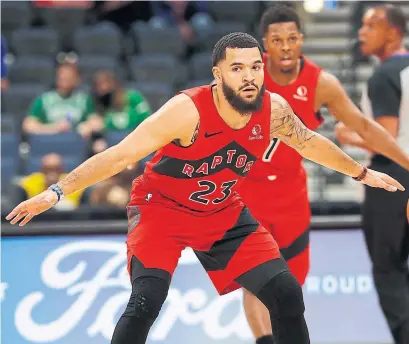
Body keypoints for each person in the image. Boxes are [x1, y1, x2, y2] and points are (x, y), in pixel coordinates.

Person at [6, 32, 404, 344]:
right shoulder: (187, 111)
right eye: (237, 69)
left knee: (286, 293)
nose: (249, 76)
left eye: (254, 67)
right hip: (162, 210)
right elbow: (119, 155)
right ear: (218, 74)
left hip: (221, 211)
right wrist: (56, 192)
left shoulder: (274, 110)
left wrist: (360, 173)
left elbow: (310, 143)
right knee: (146, 301)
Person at [237, 5, 409, 344]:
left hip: (291, 193)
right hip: (248, 191)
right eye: (277, 40)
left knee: (290, 284)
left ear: (301, 40)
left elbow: (365, 126)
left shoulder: (320, 83)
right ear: (264, 45)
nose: (285, 46)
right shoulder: (247, 80)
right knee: (254, 278)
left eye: (292, 38)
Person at [335, 5, 409, 344]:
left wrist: (347, 133)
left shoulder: (384, 75)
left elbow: (387, 137)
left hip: (393, 178)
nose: (361, 32)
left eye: (371, 25)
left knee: (388, 269)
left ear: (393, 33)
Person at [22, 62, 98, 138]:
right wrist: (53, 128)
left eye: (69, 75)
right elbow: (28, 125)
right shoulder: (44, 99)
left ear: (77, 79)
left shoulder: (84, 100)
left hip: (75, 141)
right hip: (50, 142)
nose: (65, 77)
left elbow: (97, 123)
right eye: (62, 75)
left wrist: (87, 126)